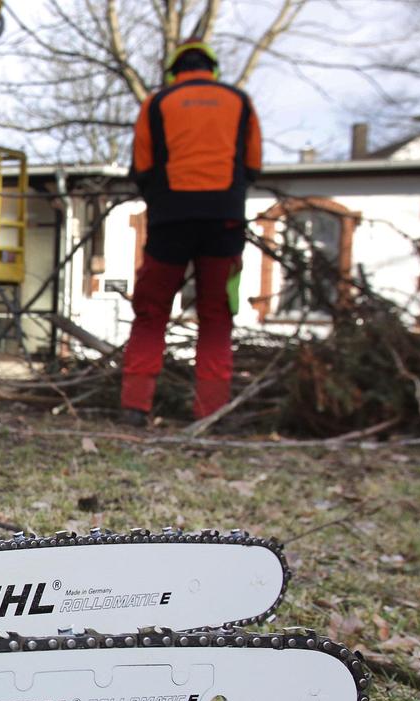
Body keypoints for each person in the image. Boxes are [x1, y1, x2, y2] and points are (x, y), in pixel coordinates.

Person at [121, 38, 262, 425]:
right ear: (213, 69)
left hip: (170, 223)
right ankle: (211, 411)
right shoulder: (240, 102)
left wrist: (164, 198)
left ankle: (135, 407)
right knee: (217, 315)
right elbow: (253, 165)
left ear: (173, 71)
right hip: (225, 223)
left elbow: (142, 167)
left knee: (151, 312)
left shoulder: (157, 103)